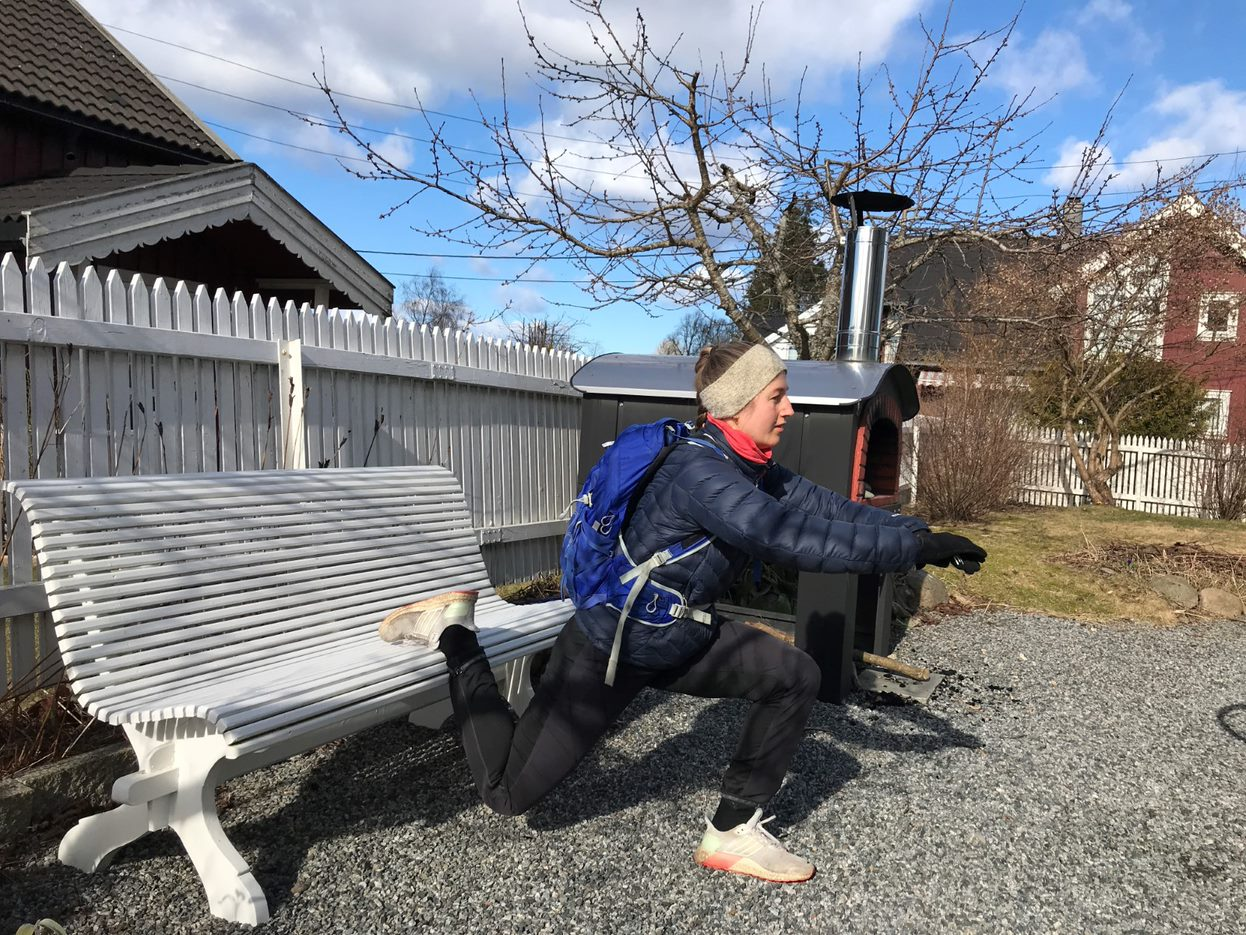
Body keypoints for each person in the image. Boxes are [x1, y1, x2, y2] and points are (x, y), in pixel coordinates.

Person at [381, 341, 987, 883]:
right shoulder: (700, 473)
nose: (788, 410)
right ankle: (455, 634)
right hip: (612, 646)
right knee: (508, 795)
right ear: (736, 406)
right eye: (776, 397)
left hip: (678, 637)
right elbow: (788, 537)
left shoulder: (751, 466)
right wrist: (911, 551)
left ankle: (732, 831)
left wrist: (919, 535)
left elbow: (827, 510)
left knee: (794, 675)